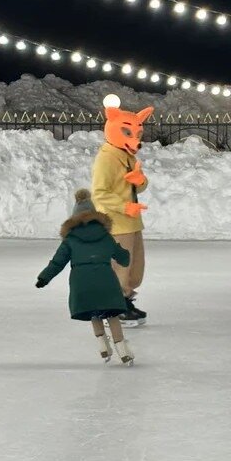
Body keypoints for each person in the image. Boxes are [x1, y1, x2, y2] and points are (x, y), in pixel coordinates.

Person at [36, 189, 134, 365]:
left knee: (94, 313)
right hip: (105, 281)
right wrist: (123, 250)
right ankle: (123, 350)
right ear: (96, 216)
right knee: (111, 314)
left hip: (82, 284)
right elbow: (124, 259)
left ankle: (103, 347)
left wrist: (44, 278)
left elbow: (57, 263)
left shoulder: (70, 240)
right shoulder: (106, 237)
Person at [91, 106, 153, 326]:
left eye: (138, 134)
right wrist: (124, 207)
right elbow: (99, 193)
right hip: (117, 224)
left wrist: (140, 181)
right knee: (120, 268)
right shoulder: (106, 158)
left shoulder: (126, 155)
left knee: (135, 268)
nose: (135, 139)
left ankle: (125, 300)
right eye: (128, 134)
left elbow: (139, 186)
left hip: (132, 222)